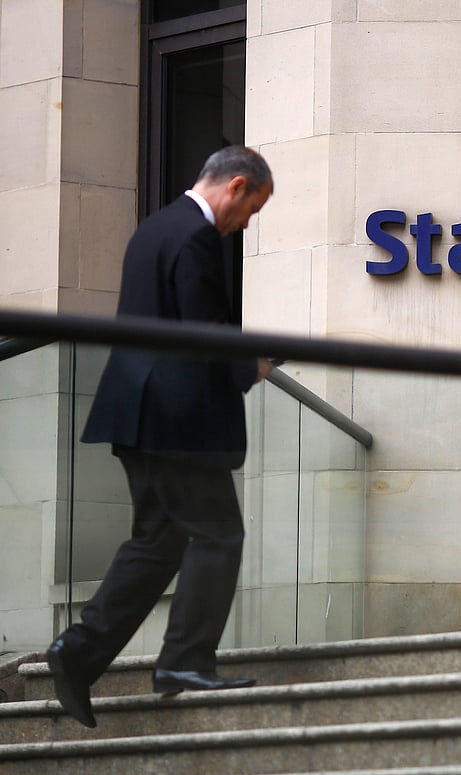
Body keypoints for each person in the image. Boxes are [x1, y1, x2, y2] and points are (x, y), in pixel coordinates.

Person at [46, 146, 275, 728]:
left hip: (137, 412)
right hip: (175, 420)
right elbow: (204, 329)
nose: (248, 222)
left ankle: (79, 651)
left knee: (159, 539)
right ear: (236, 185)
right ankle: (184, 660)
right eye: (253, 207)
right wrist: (248, 366)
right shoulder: (196, 237)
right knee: (220, 534)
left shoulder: (154, 228)